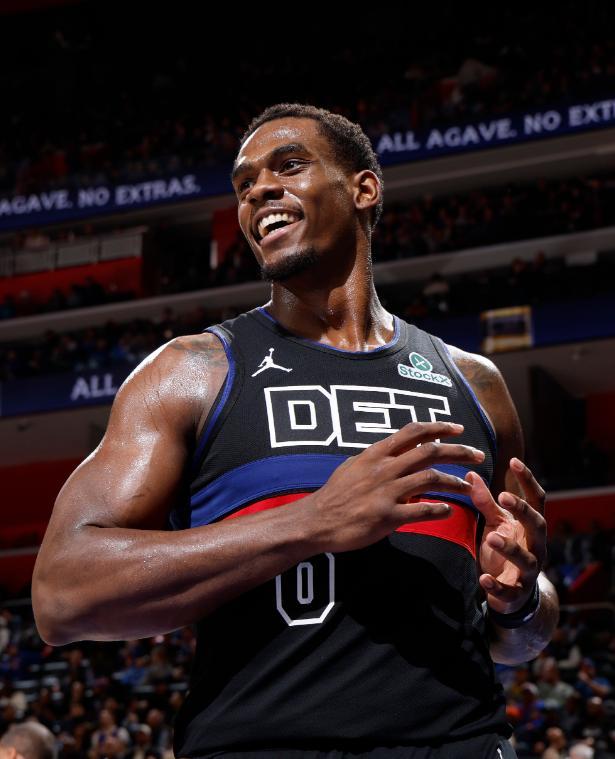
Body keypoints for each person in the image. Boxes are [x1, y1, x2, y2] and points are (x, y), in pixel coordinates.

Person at [32, 104, 559, 758]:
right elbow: (61, 594)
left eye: (287, 166)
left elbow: (519, 640)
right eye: (244, 183)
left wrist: (517, 600)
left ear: (363, 188)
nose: (258, 191)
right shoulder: (191, 372)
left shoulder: (475, 384)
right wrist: (312, 521)